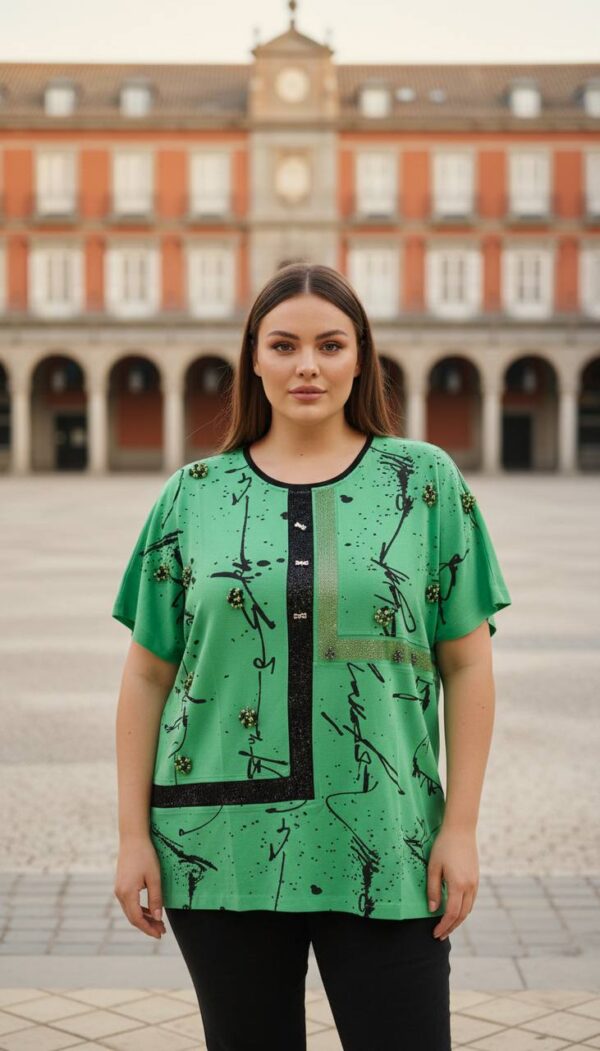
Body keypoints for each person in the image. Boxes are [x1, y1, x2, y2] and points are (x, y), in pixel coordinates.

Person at [112, 262, 512, 1050]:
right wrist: (133, 837)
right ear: (252, 359)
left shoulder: (425, 484)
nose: (307, 366)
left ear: (361, 356)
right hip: (216, 844)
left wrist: (459, 827)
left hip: (388, 839)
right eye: (284, 345)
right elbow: (147, 673)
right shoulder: (192, 494)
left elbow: (467, 664)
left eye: (330, 345)